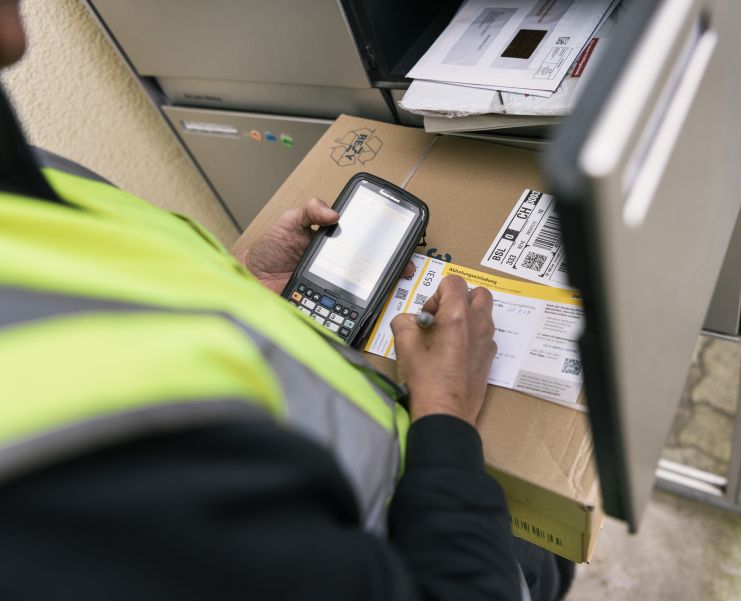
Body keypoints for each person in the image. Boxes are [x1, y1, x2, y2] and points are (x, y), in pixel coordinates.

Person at [0, 1, 572, 599]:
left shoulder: (37, 170)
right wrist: (447, 409)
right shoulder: (44, 498)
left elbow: (128, 320)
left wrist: (248, 284)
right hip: (435, 518)